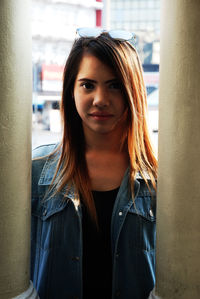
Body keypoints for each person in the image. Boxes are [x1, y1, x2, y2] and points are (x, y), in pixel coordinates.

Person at [31, 28, 157, 299]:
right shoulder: (36, 170)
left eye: (114, 85)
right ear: (71, 90)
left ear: (132, 91)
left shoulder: (160, 178)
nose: (100, 100)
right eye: (88, 85)